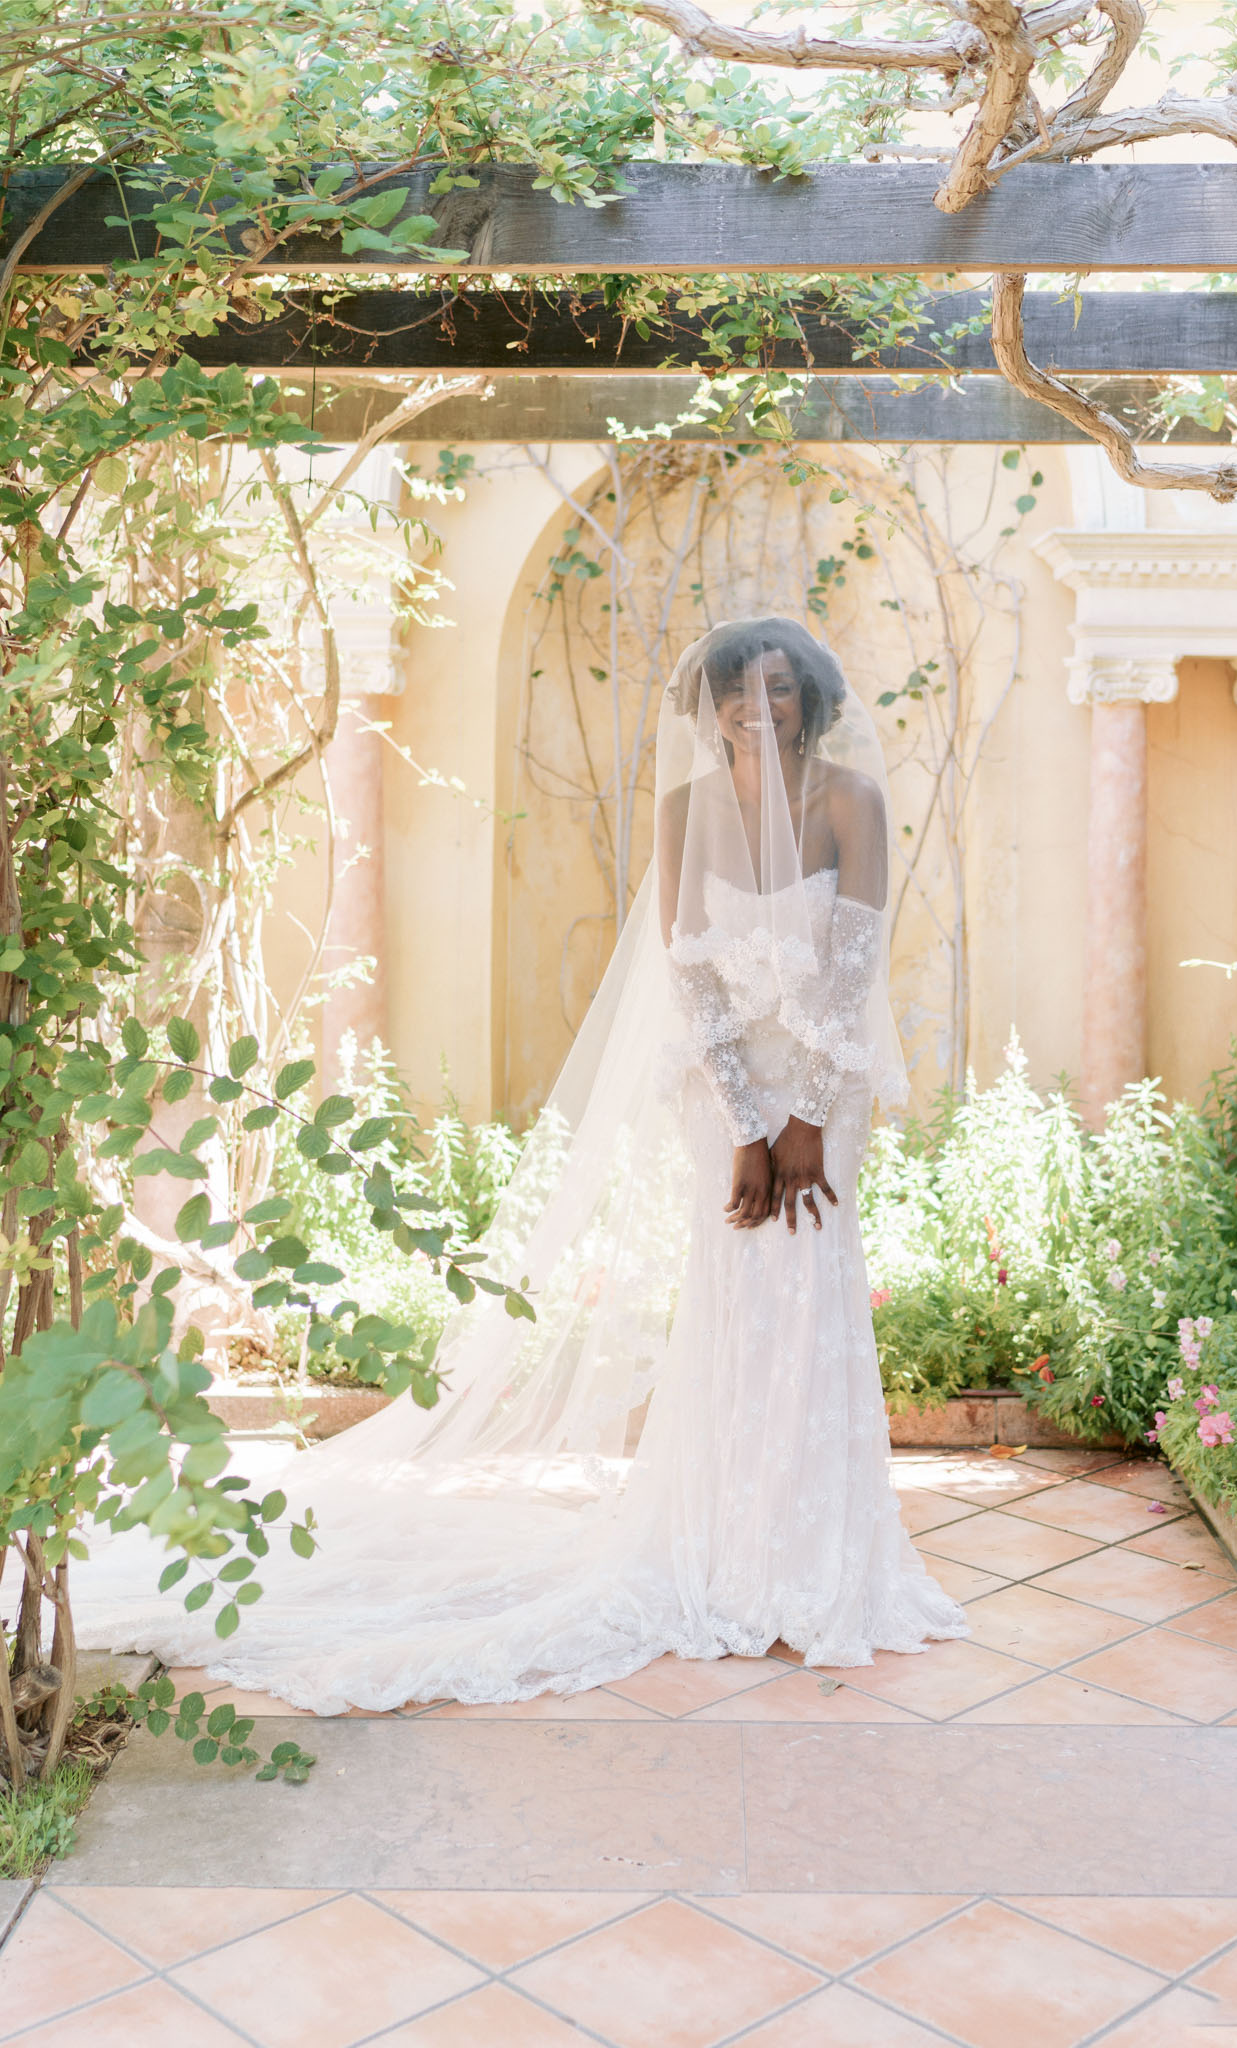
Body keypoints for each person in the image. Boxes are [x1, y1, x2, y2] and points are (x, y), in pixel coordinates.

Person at [74, 618, 967, 1713]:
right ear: (710, 706)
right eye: (736, 690)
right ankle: (727, 1549)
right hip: (723, 1094)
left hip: (822, 1098)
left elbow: (852, 967)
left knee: (812, 1292)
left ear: (810, 700)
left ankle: (823, 1558)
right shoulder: (685, 809)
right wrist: (743, 1120)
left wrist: (808, 1124)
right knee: (737, 1294)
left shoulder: (849, 803)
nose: (753, 707)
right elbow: (689, 972)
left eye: (776, 691)